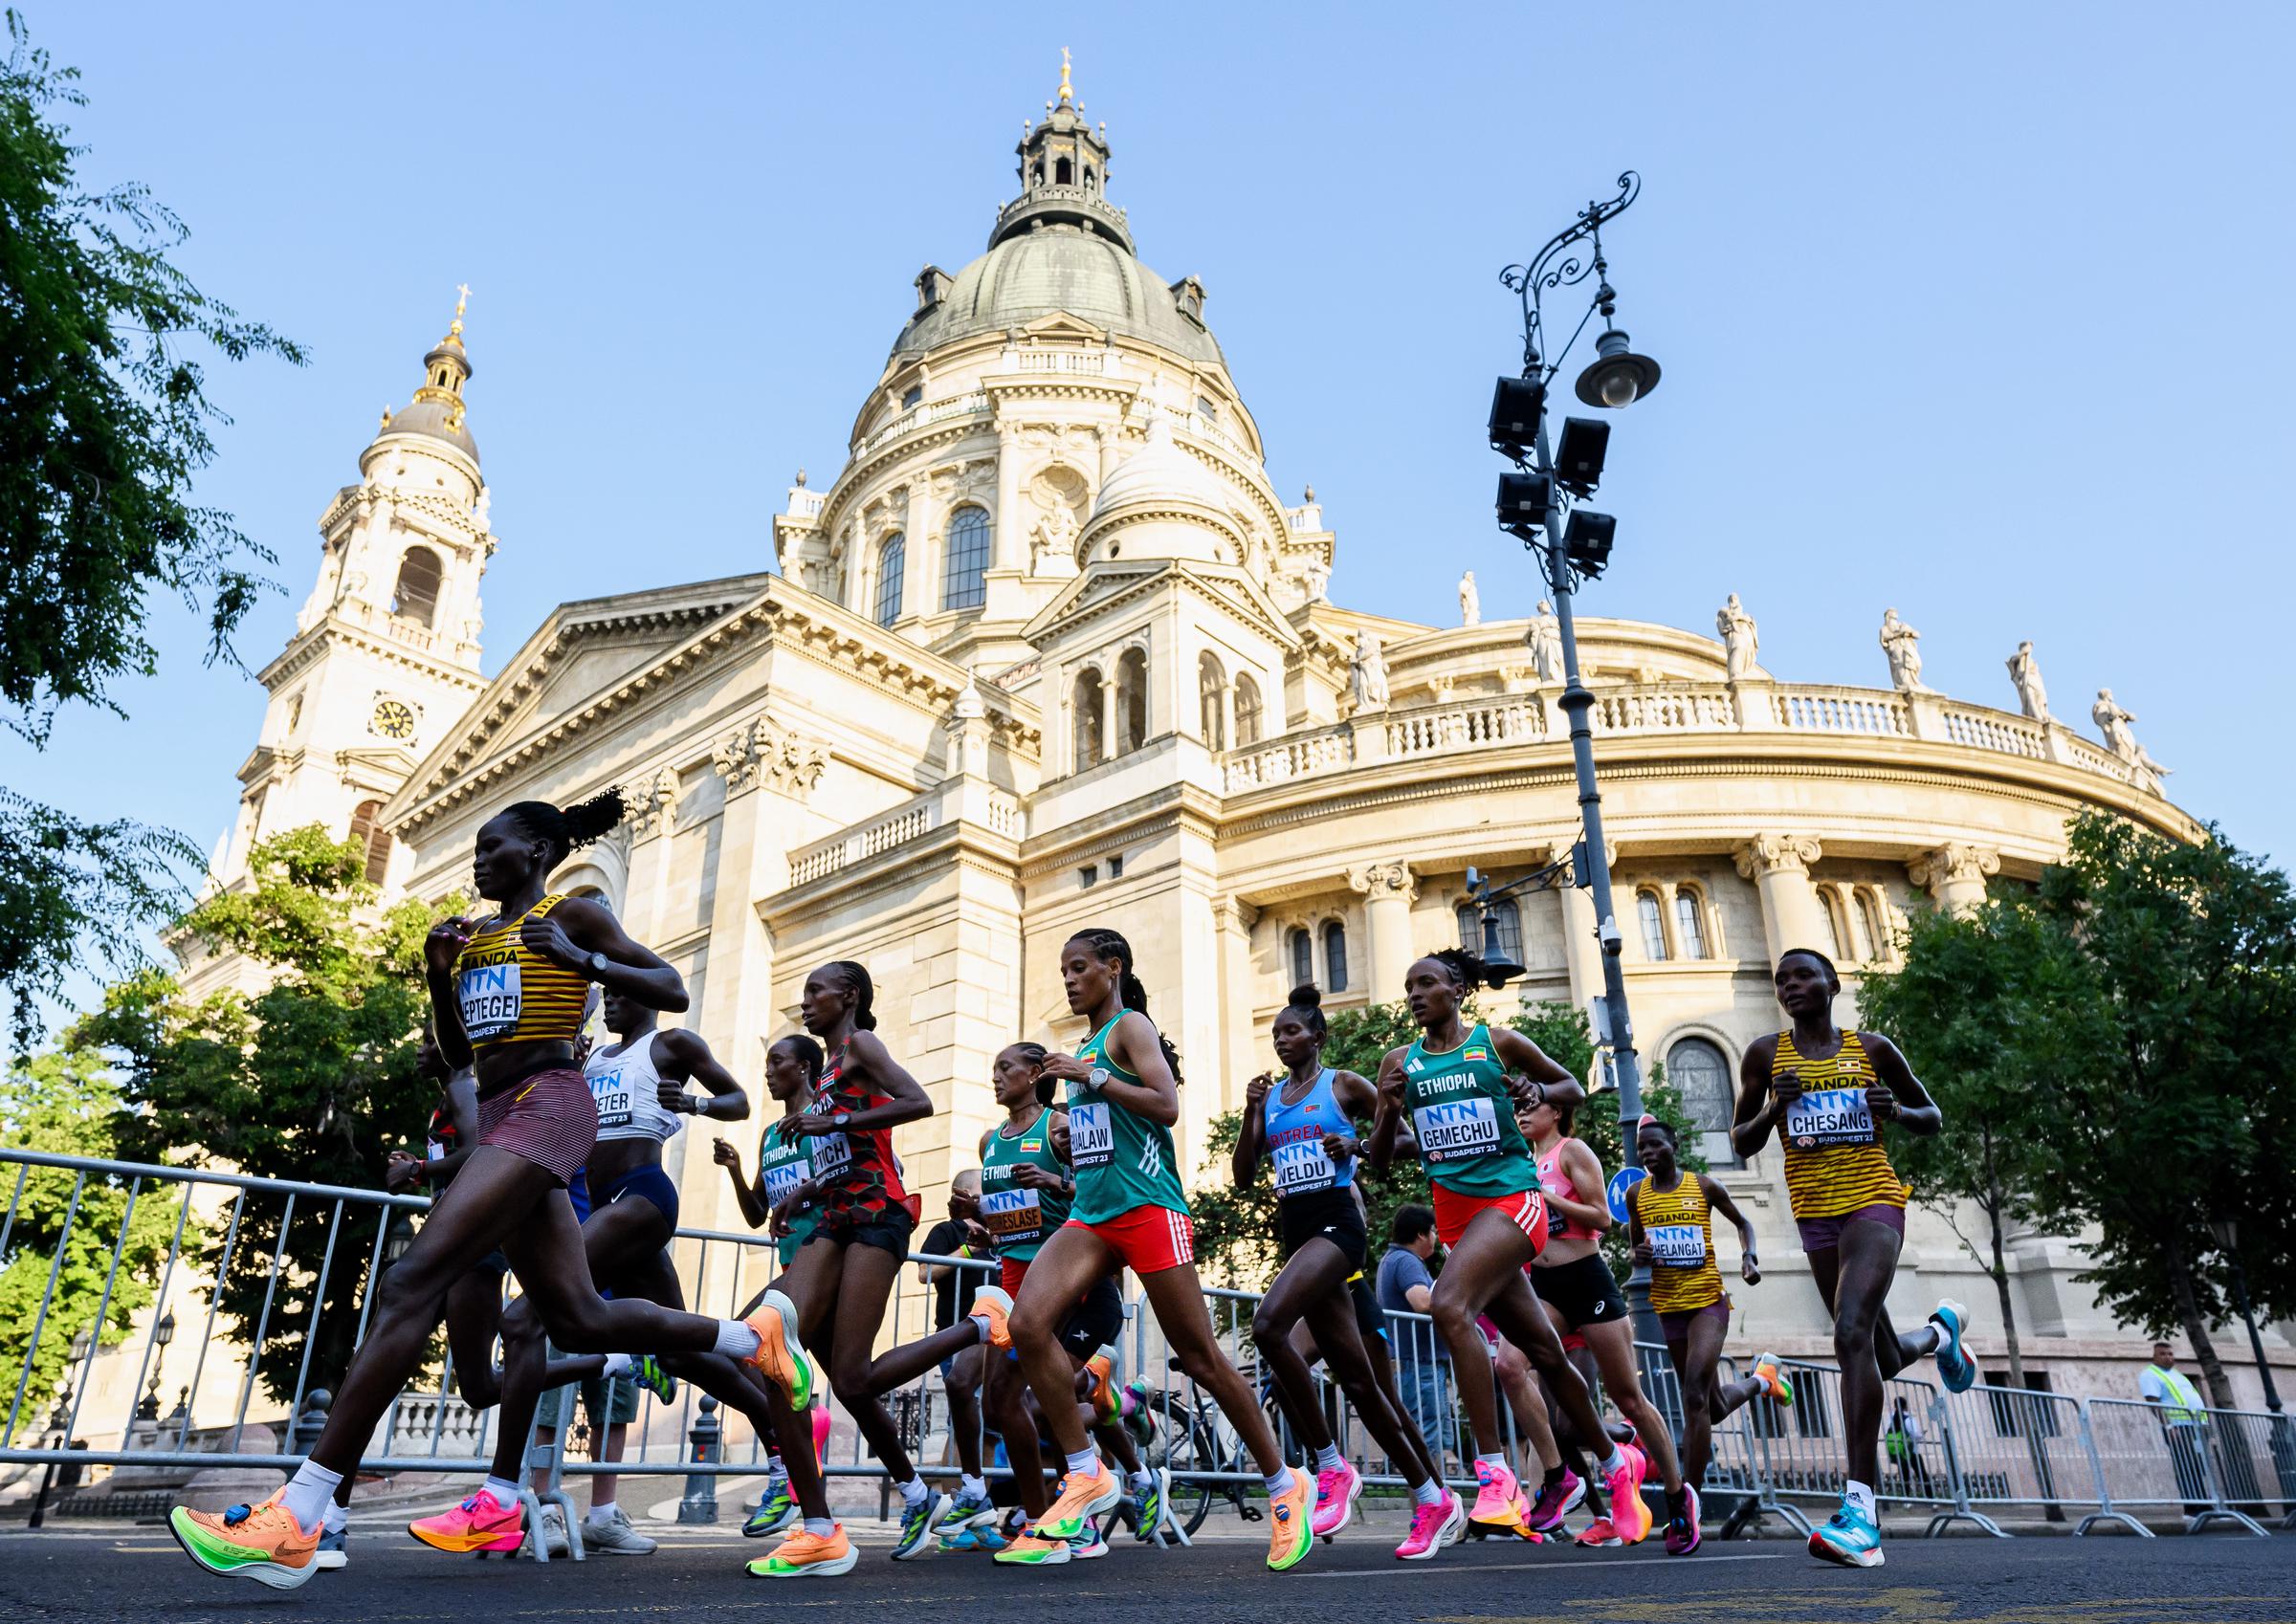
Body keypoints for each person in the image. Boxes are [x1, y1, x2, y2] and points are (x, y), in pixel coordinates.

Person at [169, 791, 808, 1590]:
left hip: (550, 1104)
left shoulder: (572, 915)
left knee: (412, 1282)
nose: (479, 859)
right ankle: (754, 1341)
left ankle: (303, 1511)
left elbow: (670, 984)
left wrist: (585, 963)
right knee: (579, 1313)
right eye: (475, 847)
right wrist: (440, 976)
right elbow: (456, 1053)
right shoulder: (473, 941)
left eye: (493, 846)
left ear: (536, 854)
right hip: (505, 1108)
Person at [414, 985, 775, 1558]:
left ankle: (501, 1496)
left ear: (646, 999)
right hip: (598, 1200)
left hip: (641, 1196)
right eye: (603, 999)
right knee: (677, 1349)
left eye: (620, 997)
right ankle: (779, 1422)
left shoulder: (670, 1043)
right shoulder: (593, 1059)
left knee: (524, 1319)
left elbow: (737, 1099)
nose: (609, 1005)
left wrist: (693, 1105)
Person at [997, 928, 1316, 1572]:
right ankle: (1086, 1471)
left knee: (1200, 1357)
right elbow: (1094, 1135)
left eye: (1079, 967)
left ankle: (1286, 1483)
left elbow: (1165, 1105)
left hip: (1149, 1210)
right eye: (1063, 969)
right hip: (1092, 1212)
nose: (1068, 978)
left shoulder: (1129, 1027)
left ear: (1113, 969)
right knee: (1025, 1324)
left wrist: (1090, 1075)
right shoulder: (1087, 1044)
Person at [1365, 948, 1650, 1544]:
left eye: (1428, 984)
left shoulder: (1496, 1041)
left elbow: (1568, 1086)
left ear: (1457, 989)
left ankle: (1494, 1478)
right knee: (1542, 1352)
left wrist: (1529, 1087)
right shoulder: (1401, 1061)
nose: (1416, 995)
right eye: (1409, 986)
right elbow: (1380, 1158)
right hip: (1457, 1220)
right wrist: (1389, 1108)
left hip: (1514, 1201)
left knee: (1448, 1306)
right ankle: (1606, 1460)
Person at [1733, 947, 1977, 1569]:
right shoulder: (1766, 1055)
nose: (1790, 986)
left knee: (1847, 1334)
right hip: (1814, 1217)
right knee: (1879, 1352)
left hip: (1874, 1203)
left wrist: (1894, 1110)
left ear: (1833, 984)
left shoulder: (1873, 1048)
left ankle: (1861, 1515)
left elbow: (1932, 1116)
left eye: (1803, 975)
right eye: (1781, 979)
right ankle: (1941, 1332)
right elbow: (1739, 1142)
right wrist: (1774, 1108)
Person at [1233, 986, 1463, 1558]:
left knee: (1268, 1327)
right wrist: (1251, 1112)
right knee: (1359, 1383)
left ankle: (1330, 1467)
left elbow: (1406, 1140)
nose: (1282, 1041)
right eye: (1276, 1034)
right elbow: (1243, 1175)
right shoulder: (1277, 1098)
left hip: (1339, 1228)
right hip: (1298, 1233)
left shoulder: (1342, 1085)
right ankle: (1433, 1497)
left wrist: (1355, 1144)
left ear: (1317, 1036)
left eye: (1292, 1032)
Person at [744, 960, 940, 1578]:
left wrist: (839, 1119)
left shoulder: (862, 1047)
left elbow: (918, 1102)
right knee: (771, 1336)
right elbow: (835, 1156)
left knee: (853, 1379)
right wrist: (797, 1197)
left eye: (814, 992)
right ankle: (826, 1522)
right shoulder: (827, 1068)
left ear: (848, 996)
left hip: (877, 1215)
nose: (805, 1002)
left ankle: (979, 1327)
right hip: (831, 1215)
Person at [1522, 1090, 1697, 1551]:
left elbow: (1601, 1215)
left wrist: (1547, 1198)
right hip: (1544, 1286)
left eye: (1530, 1107)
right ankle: (1558, 1479)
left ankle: (1679, 1498)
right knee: (1509, 1365)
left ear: (1555, 1112)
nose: (1521, 1114)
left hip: (1586, 1279)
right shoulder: (1521, 1160)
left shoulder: (1571, 1152)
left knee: (1629, 1397)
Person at [1625, 1116, 1792, 1526]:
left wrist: (1749, 1256)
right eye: (1642, 1148)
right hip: (1669, 1306)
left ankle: (1689, 1501)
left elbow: (1744, 1223)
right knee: (1711, 1407)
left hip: (1707, 1303)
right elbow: (1635, 1247)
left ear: (1674, 1144)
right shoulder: (1636, 1195)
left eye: (1655, 1145)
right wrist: (1637, 1257)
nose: (1648, 1153)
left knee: (1695, 1396)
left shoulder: (1703, 1186)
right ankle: (1762, 1380)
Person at [716, 1035, 835, 1539]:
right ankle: (804, 1435)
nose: (767, 1072)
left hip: (825, 1262)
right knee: (856, 1382)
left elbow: (843, 1178)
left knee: (747, 1344)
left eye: (776, 1062)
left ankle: (793, 1453)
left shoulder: (824, 1120)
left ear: (805, 1068)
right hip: (792, 1270)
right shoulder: (771, 1135)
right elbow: (754, 1214)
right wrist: (738, 1171)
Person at [1375, 1205, 1454, 1473]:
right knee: (1426, 1436)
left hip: (1415, 1363)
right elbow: (1421, 1302)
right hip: (1419, 1365)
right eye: (1432, 1231)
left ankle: (1435, 1501)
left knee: (1425, 1436)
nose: (1435, 1237)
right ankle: (1434, 1501)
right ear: (1421, 1235)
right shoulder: (1406, 1261)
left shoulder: (1392, 1259)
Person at [2140, 1341, 2211, 1514]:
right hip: (2178, 1427)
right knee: (2185, 1466)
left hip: (2196, 1425)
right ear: (2154, 1356)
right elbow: (2154, 1403)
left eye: (2170, 1354)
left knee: (2198, 1466)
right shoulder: (2150, 1374)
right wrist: (2169, 1426)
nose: (2168, 1357)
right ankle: (2192, 1507)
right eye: (2163, 1354)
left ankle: (2204, 1502)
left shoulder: (2177, 1374)